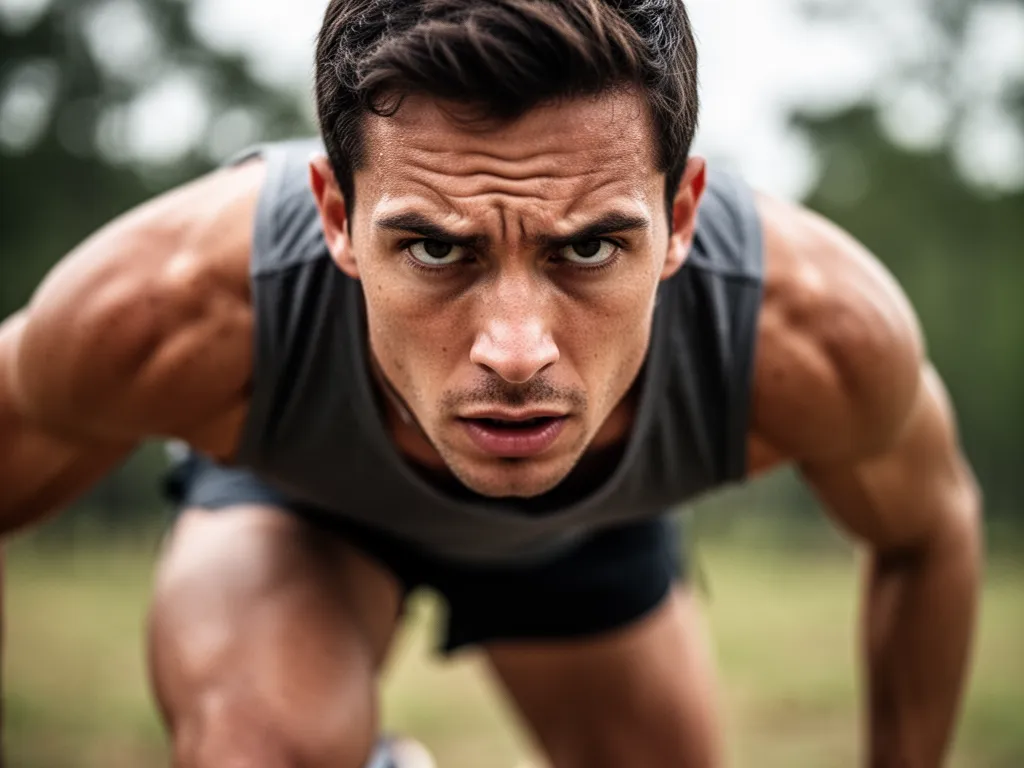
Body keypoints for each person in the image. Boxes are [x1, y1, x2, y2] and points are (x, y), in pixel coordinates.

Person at [0, 1, 982, 767]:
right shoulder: (170, 308)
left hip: (586, 528)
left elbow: (928, 531)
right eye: (436, 247)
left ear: (682, 214)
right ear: (335, 214)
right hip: (305, 508)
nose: (516, 355)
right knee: (260, 750)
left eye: (589, 246)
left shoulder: (807, 332)